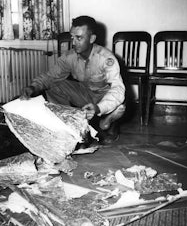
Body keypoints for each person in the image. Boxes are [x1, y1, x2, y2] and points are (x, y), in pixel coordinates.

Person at [21, 15, 126, 144]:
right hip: (85, 94)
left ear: (92, 38)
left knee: (121, 105)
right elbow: (50, 76)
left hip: (103, 98)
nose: (73, 42)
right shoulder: (69, 57)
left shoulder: (106, 58)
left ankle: (107, 122)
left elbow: (118, 88)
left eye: (79, 38)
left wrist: (98, 108)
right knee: (55, 86)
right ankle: (70, 124)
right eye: (72, 37)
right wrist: (33, 87)